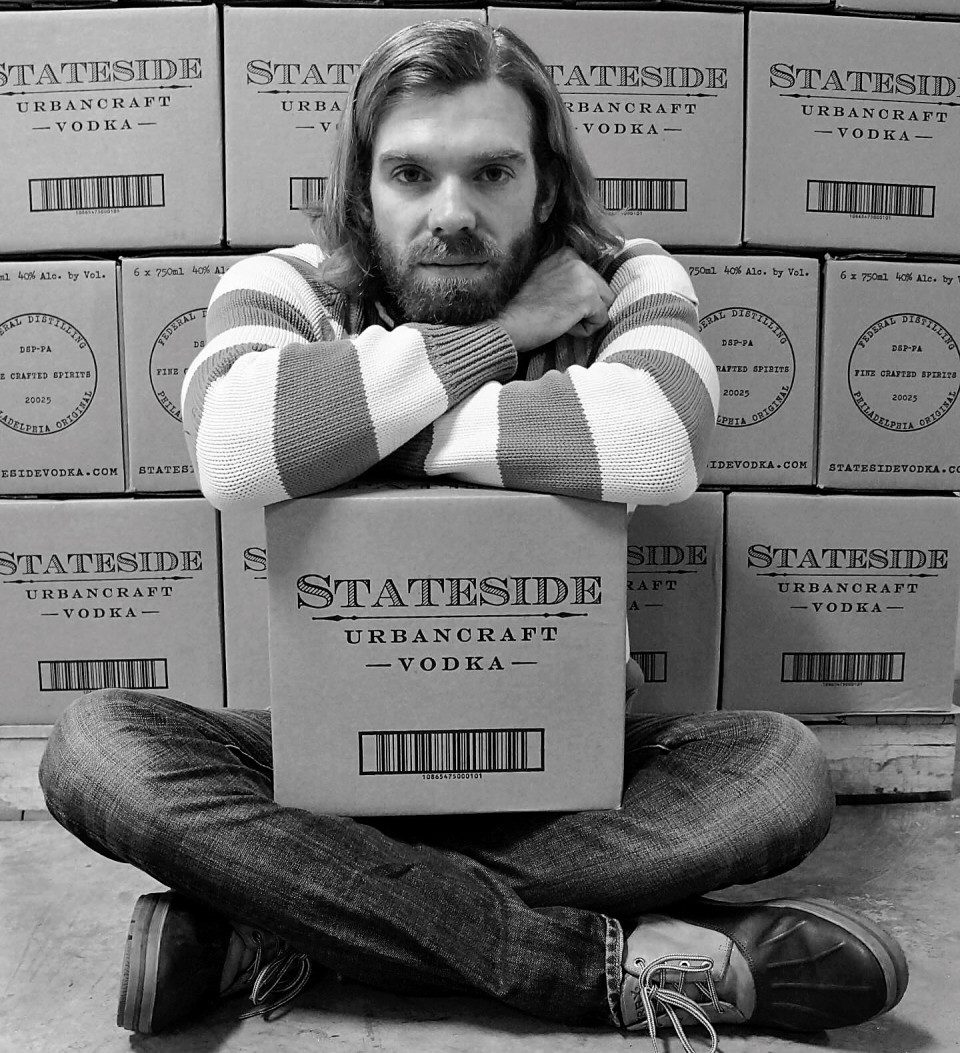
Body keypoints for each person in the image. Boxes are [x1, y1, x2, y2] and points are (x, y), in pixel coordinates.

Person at [39, 18, 907, 1050]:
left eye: (492, 172)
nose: (452, 213)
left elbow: (659, 438)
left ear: (543, 187)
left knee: (779, 771)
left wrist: (353, 434)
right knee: (96, 750)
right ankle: (592, 967)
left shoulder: (627, 278)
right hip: (332, 762)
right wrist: (504, 339)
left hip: (563, 766)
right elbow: (234, 448)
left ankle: (275, 915)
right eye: (412, 174)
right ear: (364, 190)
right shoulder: (290, 286)